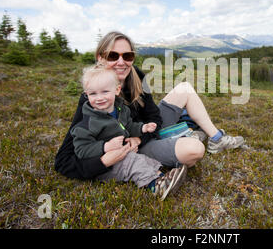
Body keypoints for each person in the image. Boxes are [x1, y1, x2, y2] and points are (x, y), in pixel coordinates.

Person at [54, 31, 244, 181]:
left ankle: (216, 138)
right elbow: (63, 161)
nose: (121, 62)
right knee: (194, 150)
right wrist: (104, 160)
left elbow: (154, 117)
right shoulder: (93, 97)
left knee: (184, 88)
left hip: (144, 133)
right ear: (100, 58)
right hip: (133, 149)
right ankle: (188, 132)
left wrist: (141, 136)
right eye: (113, 55)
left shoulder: (136, 76)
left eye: (127, 56)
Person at [71, 63, 187, 200]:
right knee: (133, 163)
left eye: (105, 92)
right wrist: (104, 146)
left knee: (142, 159)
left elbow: (128, 126)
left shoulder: (121, 109)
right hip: (106, 166)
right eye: (93, 93)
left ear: (116, 90)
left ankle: (161, 177)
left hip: (124, 153)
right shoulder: (87, 124)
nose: (99, 98)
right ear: (86, 95)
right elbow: (81, 150)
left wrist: (142, 128)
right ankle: (156, 186)